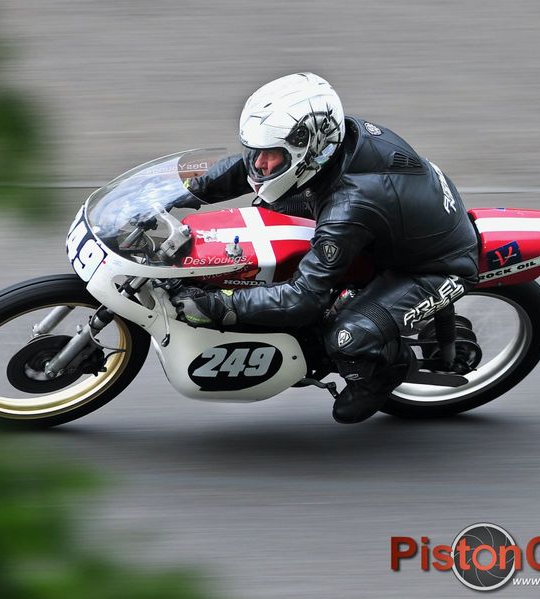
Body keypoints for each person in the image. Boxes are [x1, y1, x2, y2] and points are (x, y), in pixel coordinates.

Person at [170, 72, 479, 424]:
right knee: (269, 208)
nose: (260, 163)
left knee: (347, 337)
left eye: (271, 154)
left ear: (309, 150)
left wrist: (219, 306)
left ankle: (381, 376)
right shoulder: (333, 141)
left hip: (436, 266)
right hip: (400, 220)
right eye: (258, 151)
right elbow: (250, 169)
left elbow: (302, 299)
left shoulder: (349, 207)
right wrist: (188, 192)